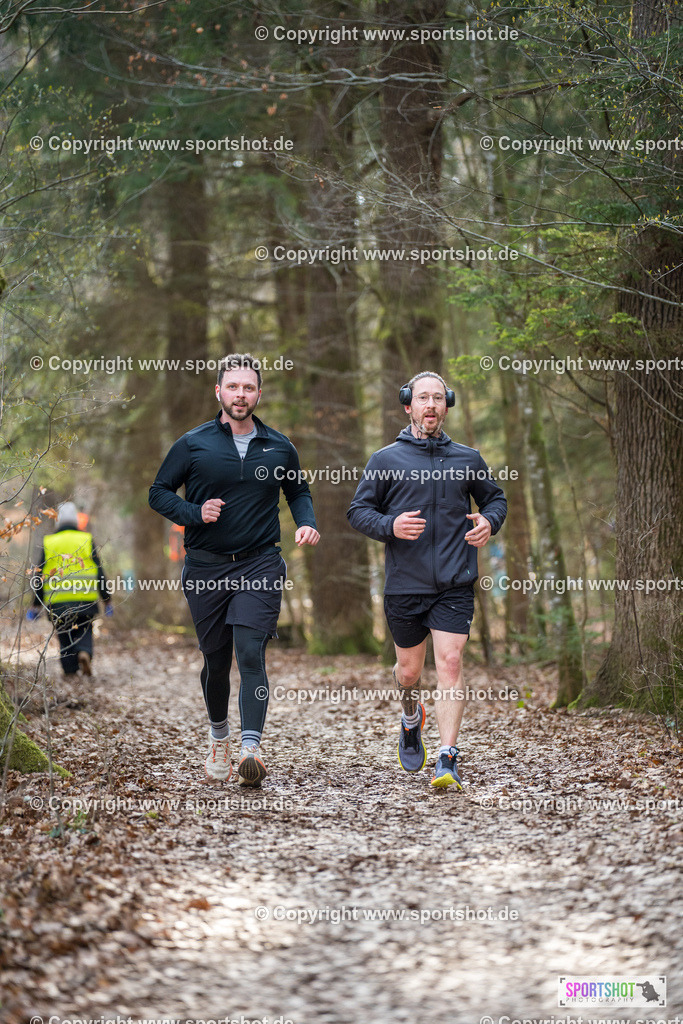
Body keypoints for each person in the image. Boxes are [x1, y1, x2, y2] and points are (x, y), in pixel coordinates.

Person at [149, 353, 320, 787]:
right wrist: (193, 511)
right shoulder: (193, 443)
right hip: (205, 567)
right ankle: (218, 737)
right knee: (215, 660)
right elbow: (158, 492)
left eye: (248, 388)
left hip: (260, 563)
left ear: (258, 394)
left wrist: (307, 523)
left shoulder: (280, 445)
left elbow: (298, 491)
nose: (240, 395)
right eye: (233, 387)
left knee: (250, 652)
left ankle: (251, 747)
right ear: (219, 391)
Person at [347, 371, 507, 789]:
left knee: (451, 662)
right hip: (405, 584)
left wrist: (489, 521)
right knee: (408, 671)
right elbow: (358, 511)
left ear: (447, 404)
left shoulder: (468, 459)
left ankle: (447, 757)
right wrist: (390, 525)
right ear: (408, 405)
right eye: (423, 398)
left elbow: (496, 498)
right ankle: (410, 716)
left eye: (438, 398)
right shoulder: (385, 460)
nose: (431, 405)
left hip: (455, 581)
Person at [27, 502, 113, 677]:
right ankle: (84, 652)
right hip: (85, 599)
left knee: (64, 634)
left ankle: (70, 670)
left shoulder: (49, 542)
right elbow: (99, 571)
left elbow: (39, 575)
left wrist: (36, 603)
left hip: (58, 601)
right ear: (76, 520)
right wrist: (107, 599)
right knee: (84, 628)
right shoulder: (87, 539)